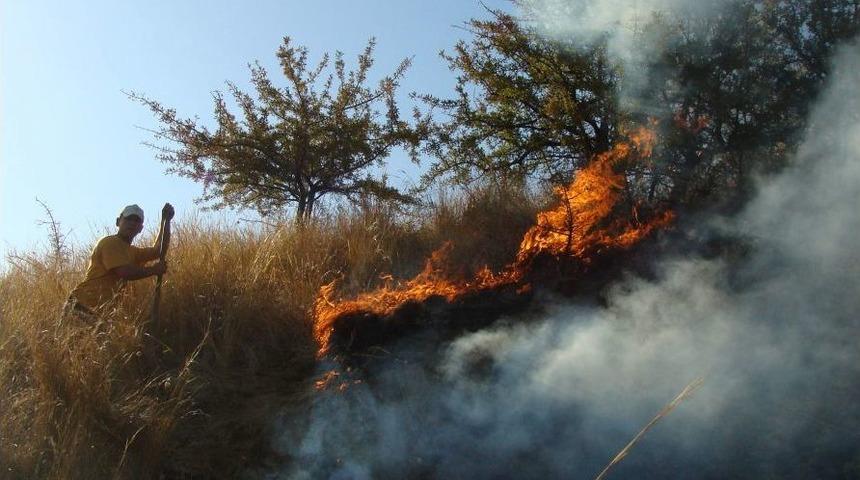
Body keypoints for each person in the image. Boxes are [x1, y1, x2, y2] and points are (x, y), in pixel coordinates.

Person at [64, 203, 175, 318]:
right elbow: (124, 272)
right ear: (118, 222)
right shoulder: (110, 243)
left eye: (136, 221)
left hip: (98, 312)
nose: (132, 223)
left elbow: (158, 251)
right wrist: (154, 270)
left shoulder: (132, 251)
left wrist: (165, 221)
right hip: (80, 305)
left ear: (140, 229)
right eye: (128, 219)